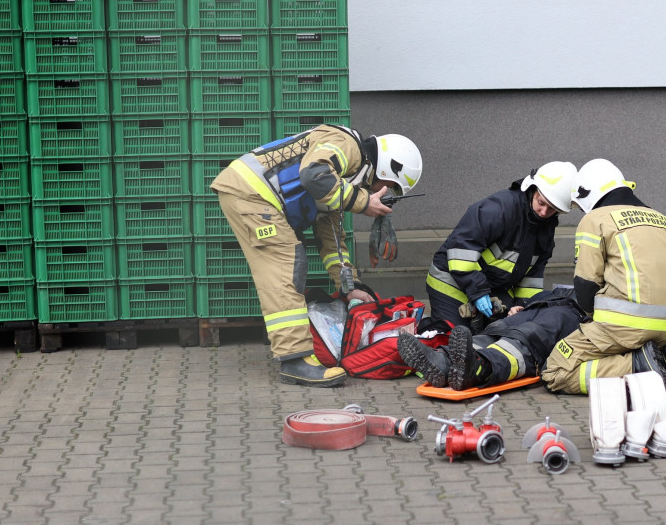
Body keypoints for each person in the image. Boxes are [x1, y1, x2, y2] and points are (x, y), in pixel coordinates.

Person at [211, 125, 422, 387]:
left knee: (291, 265)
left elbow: (332, 241)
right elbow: (313, 175)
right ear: (386, 169)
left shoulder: (341, 182)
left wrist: (350, 286)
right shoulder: (348, 146)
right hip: (252, 194)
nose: (382, 193)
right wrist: (363, 202)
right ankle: (294, 361)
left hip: (255, 193)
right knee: (286, 266)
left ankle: (294, 351)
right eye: (388, 186)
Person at [540, 159, 666, 404]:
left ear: (589, 193)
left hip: (620, 326)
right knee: (625, 344)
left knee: (555, 370)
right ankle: (661, 359)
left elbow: (585, 284)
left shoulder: (595, 219)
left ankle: (640, 366)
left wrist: (592, 319)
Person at [424, 161, 575, 330]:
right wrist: (479, 292)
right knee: (454, 335)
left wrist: (524, 307)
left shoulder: (546, 232)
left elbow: (531, 278)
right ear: (532, 189)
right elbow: (461, 250)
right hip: (450, 282)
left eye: (552, 209)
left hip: (491, 287)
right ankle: (427, 332)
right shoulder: (500, 209)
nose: (544, 212)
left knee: (507, 331)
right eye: (541, 202)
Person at [398, 287, 587, 391]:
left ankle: (481, 366)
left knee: (529, 337)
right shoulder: (569, 286)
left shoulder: (599, 289)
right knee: (497, 329)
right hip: (545, 305)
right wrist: (522, 306)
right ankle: (443, 361)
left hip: (576, 315)